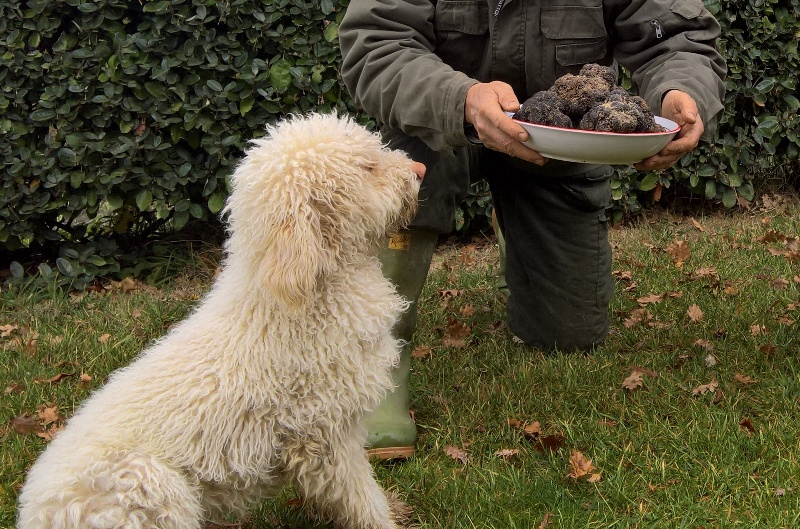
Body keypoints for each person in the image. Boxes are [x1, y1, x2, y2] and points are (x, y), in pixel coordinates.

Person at [338, 0, 727, 459]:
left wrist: (681, 92)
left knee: (568, 335)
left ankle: (518, 234)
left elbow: (675, 38)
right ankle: (379, 360)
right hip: (441, 128)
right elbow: (377, 43)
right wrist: (460, 100)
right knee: (405, 180)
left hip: (560, 147)